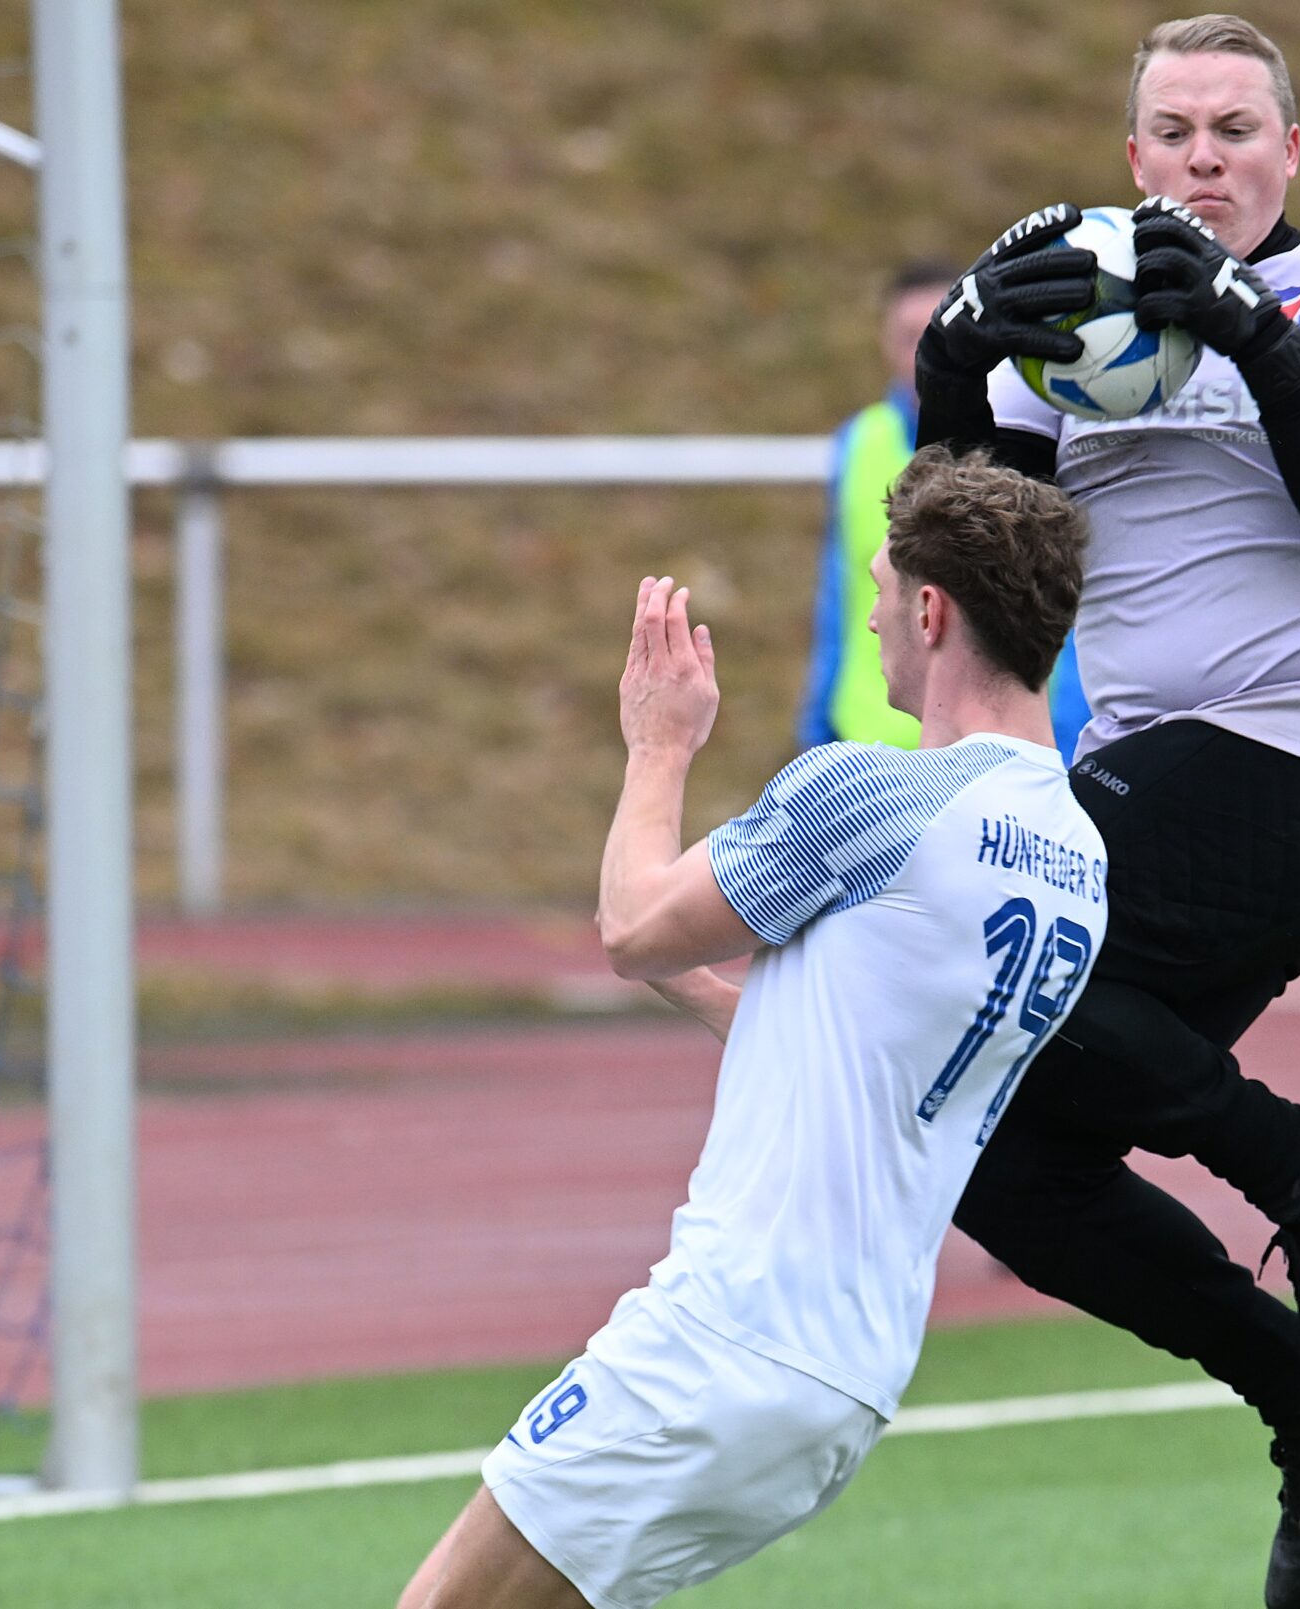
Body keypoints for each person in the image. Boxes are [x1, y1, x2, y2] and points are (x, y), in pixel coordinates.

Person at [910, 15, 1300, 1607]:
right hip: (1153, 772)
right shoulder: (1081, 321)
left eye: (1235, 129)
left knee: (975, 942)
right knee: (1007, 1163)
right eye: (1174, 132)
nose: (1204, 158)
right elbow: (984, 580)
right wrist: (953, 365)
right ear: (1132, 158)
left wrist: (1255, 337)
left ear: (1291, 152)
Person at [399, 447, 1107, 1609]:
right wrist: (704, 991)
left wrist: (658, 744)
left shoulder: (872, 792)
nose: (870, 621)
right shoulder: (1078, 857)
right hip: (846, 1381)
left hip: (725, 1338)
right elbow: (870, 1061)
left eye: (881, 593)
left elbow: (634, 922)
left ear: (932, 612)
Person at [799, 263, 1092, 756]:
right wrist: (818, 724)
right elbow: (838, 592)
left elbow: (1060, 594)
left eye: (934, 334)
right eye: (907, 337)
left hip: (987, 749)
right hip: (872, 748)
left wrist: (1066, 730)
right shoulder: (860, 441)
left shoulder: (1025, 436)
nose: (921, 354)